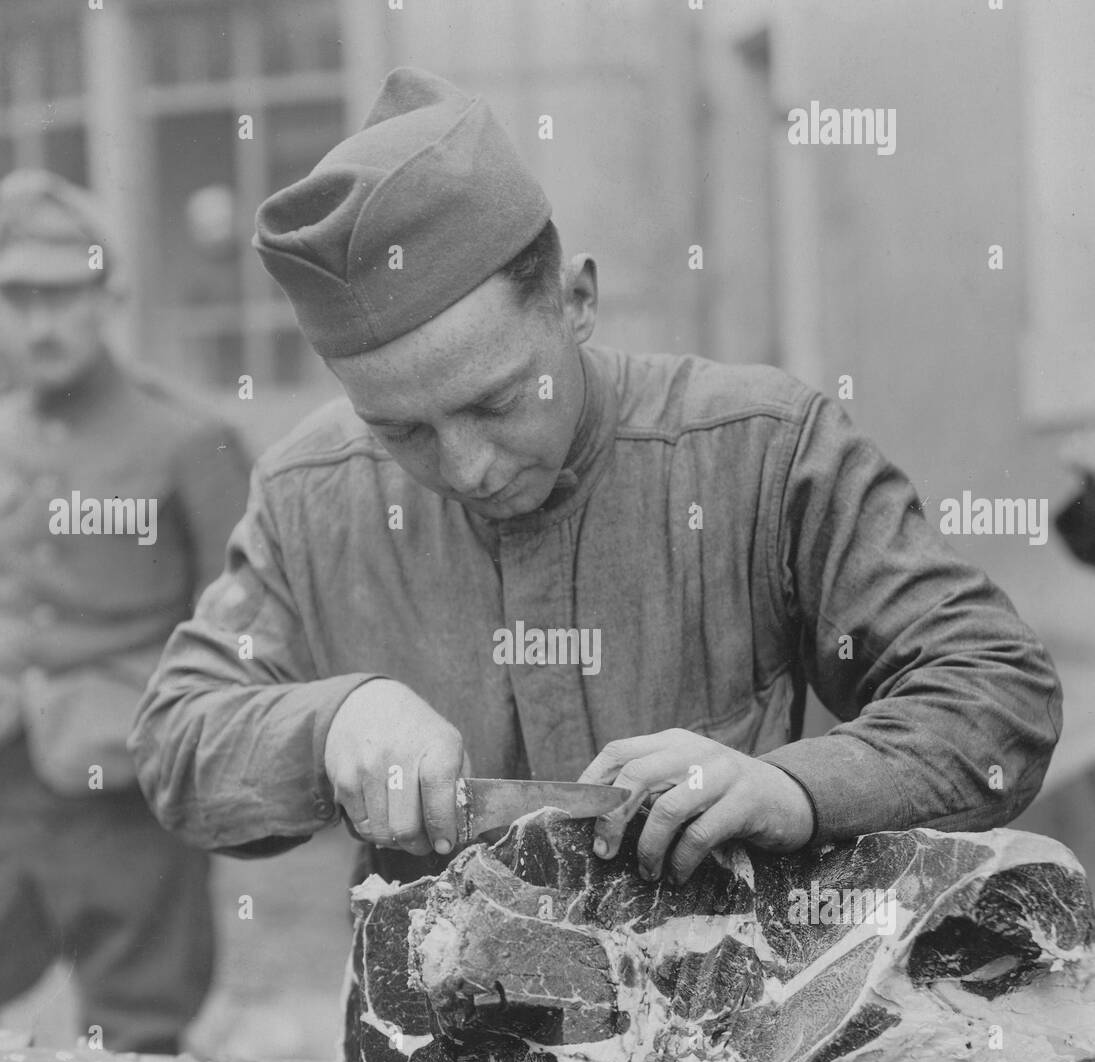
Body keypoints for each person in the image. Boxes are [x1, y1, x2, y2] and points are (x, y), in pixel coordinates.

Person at [131, 68, 1061, 892]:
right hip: (440, 1050)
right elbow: (178, 746)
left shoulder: (762, 450)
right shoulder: (309, 494)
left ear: (576, 300)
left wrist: (794, 787)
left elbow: (995, 690)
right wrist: (331, 721)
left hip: (729, 1038)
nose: (468, 467)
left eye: (498, 402)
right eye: (401, 430)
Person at [0, 170, 251, 1052]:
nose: (40, 324)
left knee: (134, 1045)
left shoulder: (187, 435)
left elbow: (238, 633)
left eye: (62, 297)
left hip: (126, 785)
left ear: (110, 295)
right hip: (8, 780)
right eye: (17, 297)